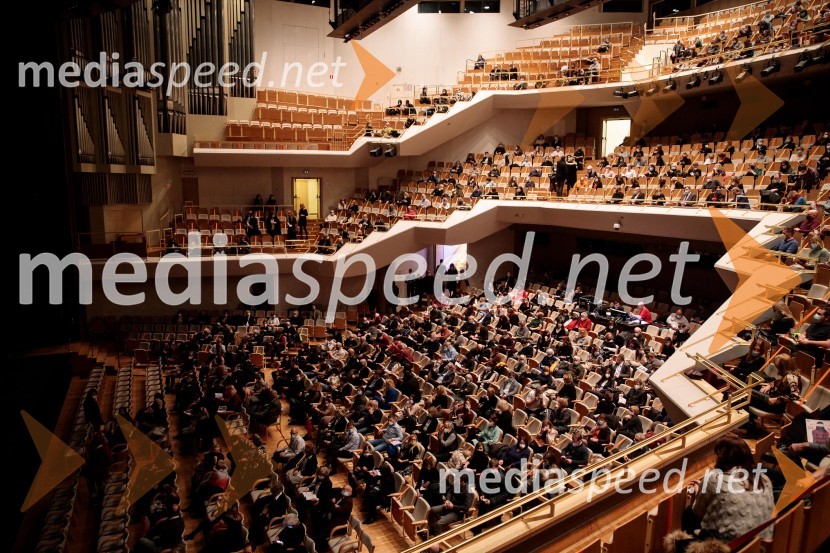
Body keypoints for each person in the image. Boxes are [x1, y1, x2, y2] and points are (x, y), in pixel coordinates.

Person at [684, 434, 773, 541]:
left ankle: (688, 545)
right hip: (761, 542)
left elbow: (698, 512)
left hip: (729, 544)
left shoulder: (714, 479)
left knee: (688, 513)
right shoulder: (764, 479)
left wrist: (699, 492)